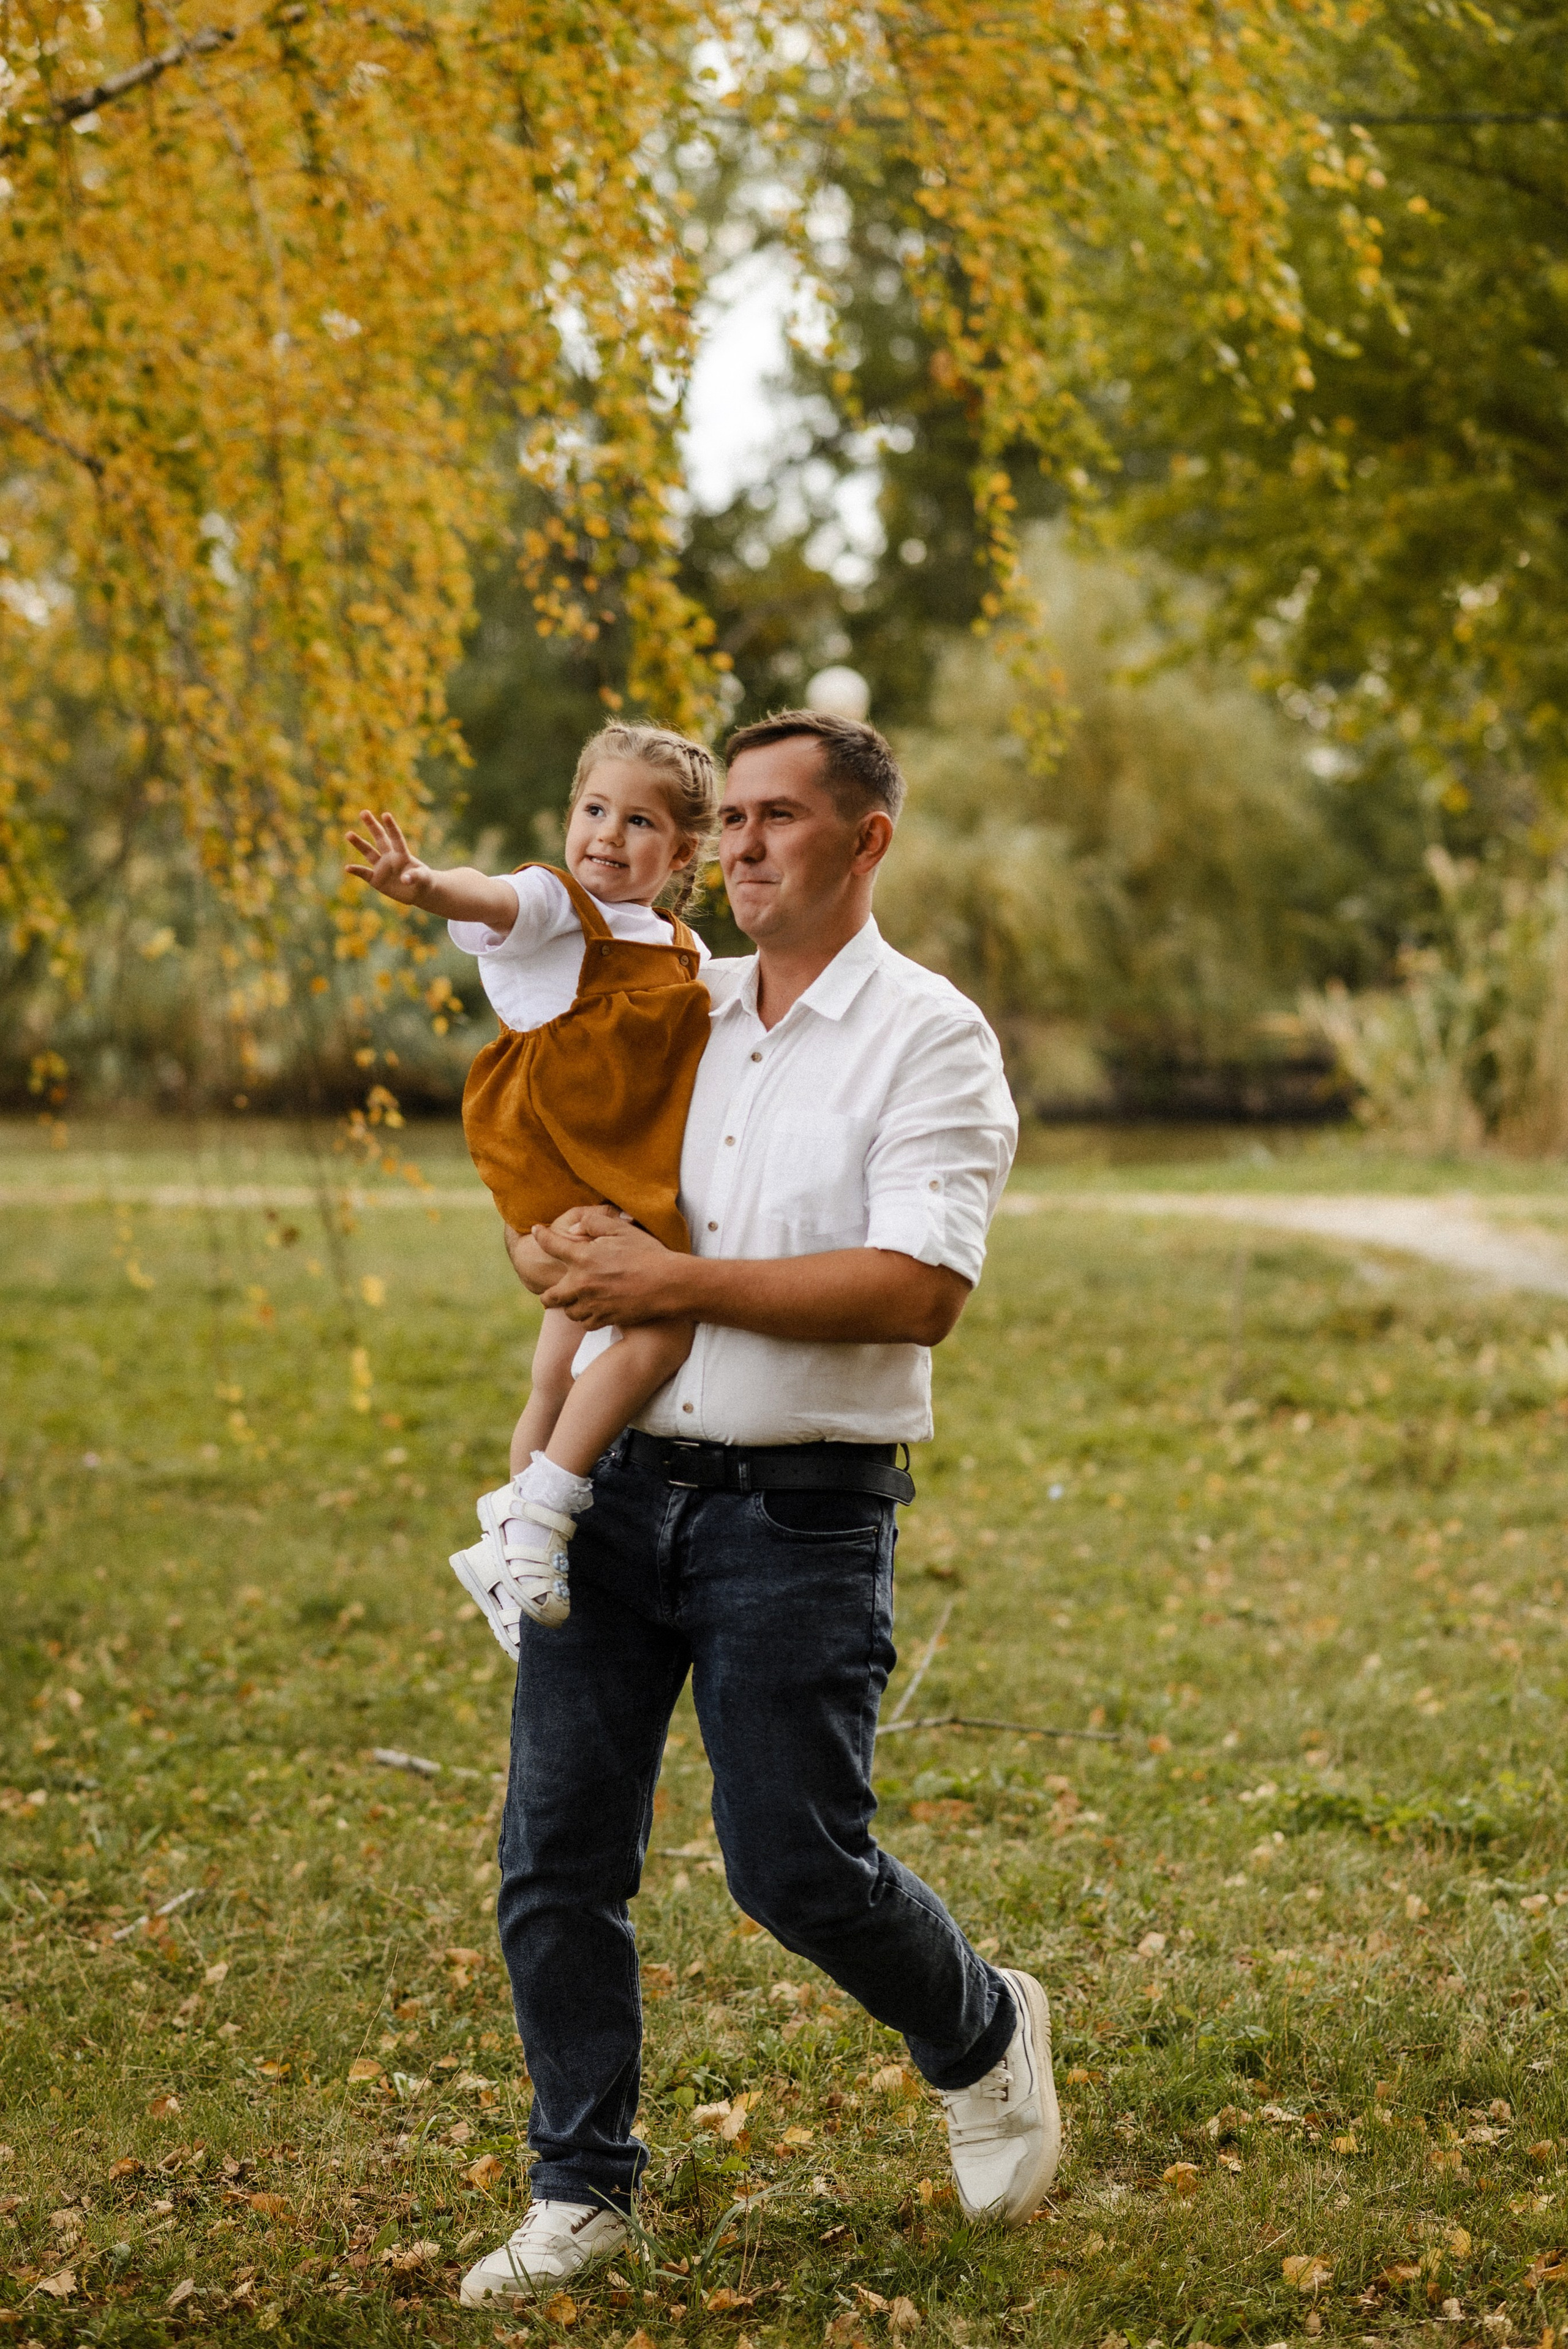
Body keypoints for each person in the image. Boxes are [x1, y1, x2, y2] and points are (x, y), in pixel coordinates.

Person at [458, 711, 1060, 2309]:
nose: (739, 845)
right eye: (725, 817)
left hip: (797, 1511)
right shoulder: (675, 999)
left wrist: (671, 1283)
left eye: (776, 817)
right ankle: (579, 2184)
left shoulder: (929, 1037)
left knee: (792, 1864)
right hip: (612, 1489)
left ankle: (982, 2027)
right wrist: (548, 1251)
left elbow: (919, 1290)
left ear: (867, 839)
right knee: (555, 1854)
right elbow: (561, 1169)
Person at [345, 724, 718, 1634]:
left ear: (681, 854)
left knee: (554, 1374)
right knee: (662, 1328)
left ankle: (509, 1557)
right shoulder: (556, 905)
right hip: (556, 1163)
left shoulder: (686, 951)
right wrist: (424, 885)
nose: (608, 834)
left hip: (620, 1174)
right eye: (594, 809)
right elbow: (493, 896)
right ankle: (538, 1515)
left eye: (639, 822)